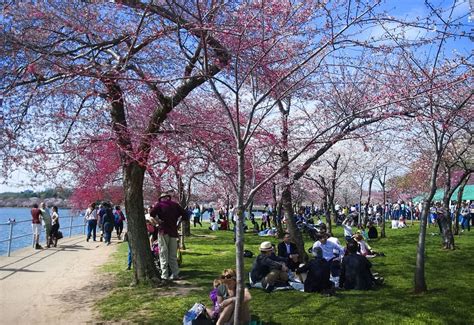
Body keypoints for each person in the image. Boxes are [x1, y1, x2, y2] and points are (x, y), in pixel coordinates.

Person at [150, 191, 187, 280]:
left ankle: (164, 274)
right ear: (168, 197)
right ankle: (175, 273)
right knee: (173, 254)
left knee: (163, 253)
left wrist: (158, 222)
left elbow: (151, 214)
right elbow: (185, 215)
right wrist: (178, 224)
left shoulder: (159, 205)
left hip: (163, 231)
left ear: (161, 198)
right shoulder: (175, 205)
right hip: (173, 232)